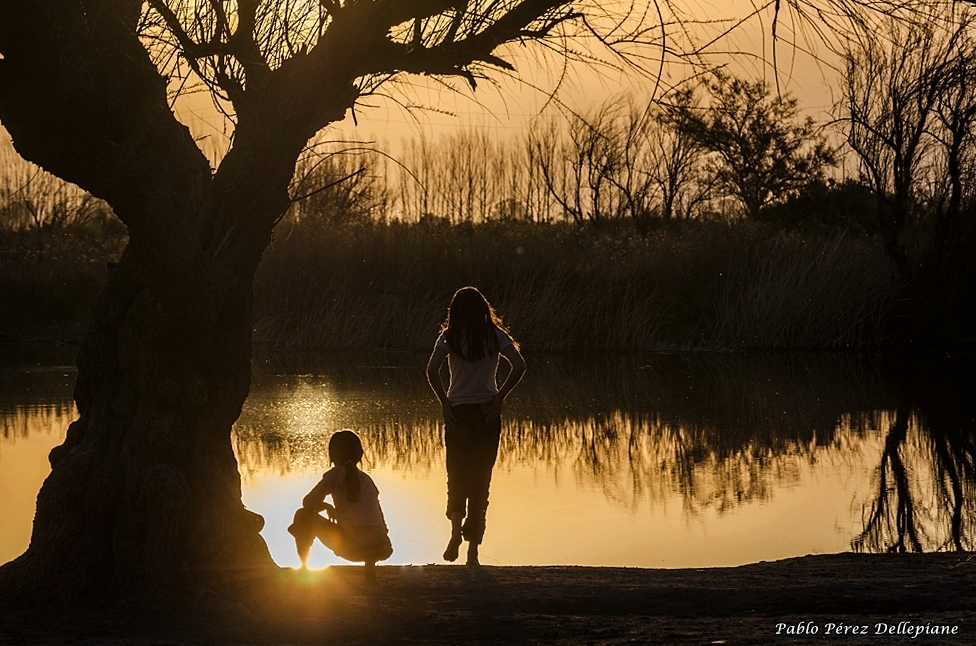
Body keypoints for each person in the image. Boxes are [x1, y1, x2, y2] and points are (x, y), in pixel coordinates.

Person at [426, 286, 526, 566]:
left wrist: (445, 401)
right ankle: (473, 553)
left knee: (456, 476)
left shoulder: (449, 337)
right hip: (486, 413)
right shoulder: (494, 336)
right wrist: (500, 397)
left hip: (457, 412)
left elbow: (431, 370)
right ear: (483, 309)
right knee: (481, 480)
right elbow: (519, 365)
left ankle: (456, 533)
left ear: (455, 312)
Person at [287, 430, 393, 584]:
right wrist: (331, 508)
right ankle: (369, 571)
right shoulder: (367, 480)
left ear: (333, 455)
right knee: (363, 528)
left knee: (302, 515)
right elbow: (369, 518)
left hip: (352, 547)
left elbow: (308, 503)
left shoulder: (335, 474)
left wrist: (325, 506)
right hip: (382, 546)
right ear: (359, 454)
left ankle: (304, 568)